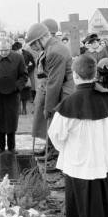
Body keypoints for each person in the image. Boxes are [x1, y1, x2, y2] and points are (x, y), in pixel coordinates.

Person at [48, 54, 108, 217]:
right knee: (100, 196)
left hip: (79, 160)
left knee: (82, 198)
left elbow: (55, 135)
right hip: (102, 158)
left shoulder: (69, 104)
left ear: (75, 76)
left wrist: (66, 150)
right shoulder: (107, 100)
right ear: (95, 74)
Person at [26, 23, 74, 161]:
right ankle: (49, 148)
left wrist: (49, 107)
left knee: (55, 122)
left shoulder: (54, 51)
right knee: (51, 123)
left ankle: (54, 156)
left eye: (33, 44)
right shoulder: (50, 48)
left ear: (41, 39)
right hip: (56, 87)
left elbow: (54, 83)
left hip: (62, 91)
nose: (32, 47)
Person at [0, 37, 28, 153]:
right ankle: (0, 147)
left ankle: (12, 147)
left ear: (10, 48)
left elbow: (24, 75)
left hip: (12, 95)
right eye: (1, 50)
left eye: (6, 50)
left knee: (11, 119)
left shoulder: (18, 58)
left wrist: (16, 87)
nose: (3, 53)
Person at [12, 41, 34, 115]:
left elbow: (33, 64)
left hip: (25, 76)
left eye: (17, 50)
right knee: (17, 93)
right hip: (16, 77)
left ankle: (24, 109)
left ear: (21, 49)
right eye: (15, 51)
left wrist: (27, 69)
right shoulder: (13, 55)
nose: (16, 52)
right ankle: (18, 109)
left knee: (25, 93)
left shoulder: (27, 54)